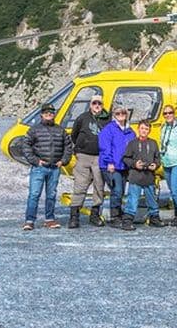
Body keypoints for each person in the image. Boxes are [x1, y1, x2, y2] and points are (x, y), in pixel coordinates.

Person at [21, 102, 73, 230]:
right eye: (46, 113)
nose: (48, 115)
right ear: (41, 115)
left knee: (51, 195)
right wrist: (35, 161)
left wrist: (63, 161)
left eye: (51, 113)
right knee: (34, 194)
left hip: (55, 167)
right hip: (39, 167)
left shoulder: (60, 130)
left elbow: (68, 146)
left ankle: (49, 219)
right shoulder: (34, 130)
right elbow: (25, 146)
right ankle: (29, 220)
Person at [68, 94, 110, 228]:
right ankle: (74, 216)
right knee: (80, 186)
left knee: (99, 186)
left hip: (100, 157)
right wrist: (80, 148)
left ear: (102, 105)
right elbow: (74, 134)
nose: (97, 106)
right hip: (84, 156)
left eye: (99, 103)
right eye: (94, 103)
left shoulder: (107, 119)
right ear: (90, 105)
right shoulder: (83, 118)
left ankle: (95, 214)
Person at [121, 120, 163, 231]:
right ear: (138, 129)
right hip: (136, 176)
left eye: (146, 129)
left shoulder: (153, 143)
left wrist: (156, 165)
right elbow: (126, 158)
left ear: (149, 131)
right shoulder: (132, 143)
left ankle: (154, 218)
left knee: (152, 199)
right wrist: (135, 164)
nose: (144, 131)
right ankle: (127, 220)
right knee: (133, 199)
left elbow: (157, 158)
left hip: (149, 175)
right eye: (142, 128)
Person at [98, 105, 136, 227]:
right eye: (118, 113)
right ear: (114, 115)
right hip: (112, 166)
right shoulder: (109, 129)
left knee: (121, 190)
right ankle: (115, 215)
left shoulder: (130, 131)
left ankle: (119, 213)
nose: (121, 115)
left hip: (124, 166)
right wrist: (109, 162)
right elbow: (105, 147)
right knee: (117, 190)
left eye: (123, 113)